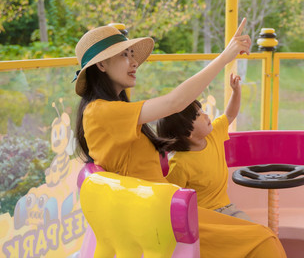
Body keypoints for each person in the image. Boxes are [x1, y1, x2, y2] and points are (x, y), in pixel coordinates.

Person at [73, 20, 286, 258]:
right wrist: (225, 57)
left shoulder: (110, 112)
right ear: (102, 64)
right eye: (125, 55)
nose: (134, 63)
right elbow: (175, 102)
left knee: (261, 237)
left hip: (158, 215)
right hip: (158, 221)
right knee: (263, 241)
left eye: (132, 55)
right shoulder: (100, 112)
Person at [156, 73, 252, 221]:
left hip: (227, 208)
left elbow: (230, 115)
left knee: (257, 230)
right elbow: (171, 199)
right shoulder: (179, 163)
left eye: (201, 110)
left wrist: (236, 91)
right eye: (198, 115)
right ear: (187, 133)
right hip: (200, 217)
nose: (205, 114)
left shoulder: (213, 134)